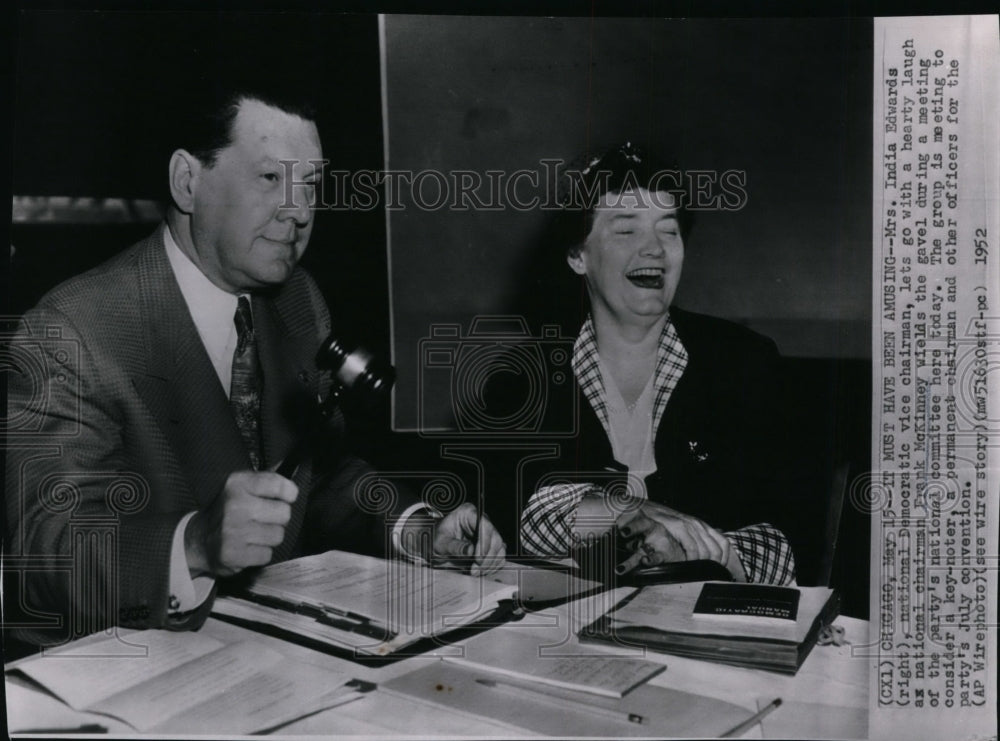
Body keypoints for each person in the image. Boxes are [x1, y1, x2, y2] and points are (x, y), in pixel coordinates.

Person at [4, 87, 505, 646]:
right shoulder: (74, 329)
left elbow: (321, 475)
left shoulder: (297, 301)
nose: (300, 210)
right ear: (186, 182)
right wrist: (195, 543)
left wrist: (415, 529)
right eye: (271, 179)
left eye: (311, 183)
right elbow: (46, 552)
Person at [517, 142, 796, 585]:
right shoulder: (523, 378)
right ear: (578, 256)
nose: (655, 250)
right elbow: (520, 515)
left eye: (669, 231)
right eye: (626, 230)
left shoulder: (745, 363)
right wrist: (623, 513)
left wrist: (688, 549)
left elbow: (788, 539)